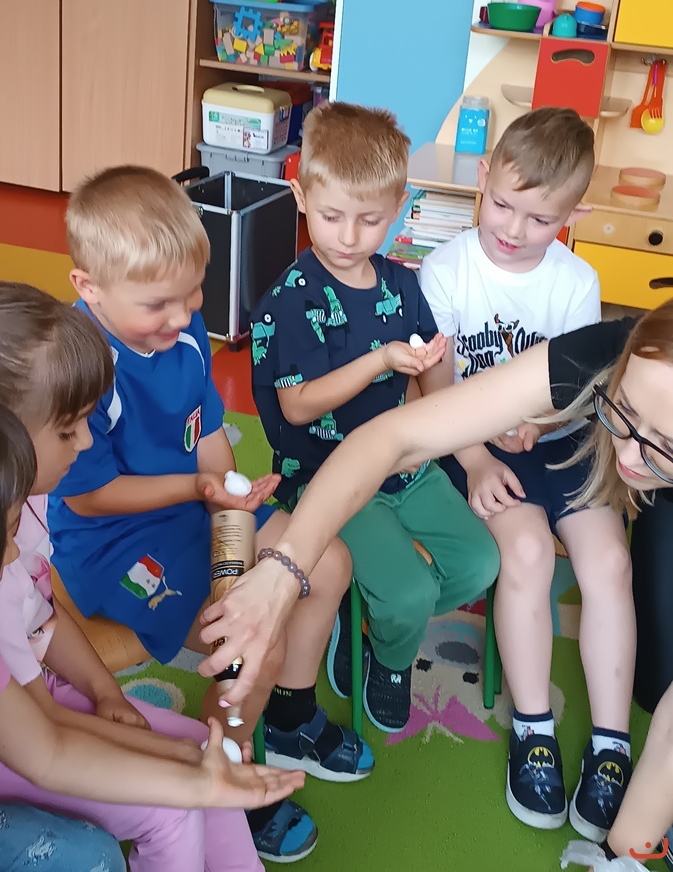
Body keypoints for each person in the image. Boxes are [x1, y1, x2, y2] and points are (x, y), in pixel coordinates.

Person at [205, 302, 673, 869]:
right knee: (653, 703)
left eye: (664, 444)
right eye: (623, 412)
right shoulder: (616, 347)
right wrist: (284, 569)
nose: (629, 454)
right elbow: (394, 438)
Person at [47, 166, 373, 862]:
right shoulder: (78, 367)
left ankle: (288, 718)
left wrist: (225, 484)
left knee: (329, 562)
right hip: (115, 542)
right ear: (89, 287)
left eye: (193, 292)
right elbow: (87, 497)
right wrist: (199, 489)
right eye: (158, 304)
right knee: (248, 646)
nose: (182, 315)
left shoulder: (184, 328)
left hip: (193, 504)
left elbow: (207, 425)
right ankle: (226, 769)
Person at [0, 281, 284, 871]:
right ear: (4, 433)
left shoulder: (7, 516)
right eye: (68, 429)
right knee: (175, 803)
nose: (87, 440)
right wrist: (175, 763)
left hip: (35, 710)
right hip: (0, 742)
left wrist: (111, 696)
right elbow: (44, 736)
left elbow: (44, 620)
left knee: (199, 759)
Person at [418, 107, 633, 840]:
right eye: (504, 205)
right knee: (531, 552)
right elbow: (435, 386)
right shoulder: (447, 268)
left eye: (541, 219)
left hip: (562, 442)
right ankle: (533, 728)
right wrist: (477, 455)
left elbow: (578, 385)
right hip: (474, 443)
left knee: (609, 563)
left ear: (574, 217)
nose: (513, 229)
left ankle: (611, 745)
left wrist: (539, 422)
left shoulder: (576, 281)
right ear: (483, 178)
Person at [250, 102, 500, 732]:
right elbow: (297, 404)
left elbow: (433, 380)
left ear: (399, 208)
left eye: (369, 220)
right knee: (409, 591)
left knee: (479, 562)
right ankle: (389, 656)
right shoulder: (293, 298)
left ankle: (364, 618)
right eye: (331, 216)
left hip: (405, 465)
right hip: (326, 477)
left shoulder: (402, 284)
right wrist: (381, 359)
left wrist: (438, 376)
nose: (348, 237)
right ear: (301, 196)